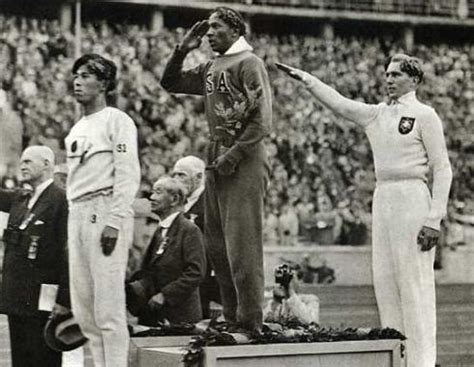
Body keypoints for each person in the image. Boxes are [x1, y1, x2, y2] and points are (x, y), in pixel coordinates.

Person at [277, 54, 452, 367]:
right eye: (386, 74)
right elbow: (340, 103)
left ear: (413, 80)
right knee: (385, 280)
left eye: (396, 74)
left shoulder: (425, 115)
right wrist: (307, 79)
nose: (388, 79)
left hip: (413, 195)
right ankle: (398, 356)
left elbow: (443, 167)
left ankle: (422, 362)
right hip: (383, 196)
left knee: (414, 283)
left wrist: (434, 218)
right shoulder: (376, 115)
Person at [161, 6, 272, 332]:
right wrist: (182, 50)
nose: (209, 33)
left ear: (236, 31)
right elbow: (171, 83)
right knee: (218, 245)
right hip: (217, 152)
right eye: (208, 28)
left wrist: (233, 155)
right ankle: (231, 315)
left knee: (242, 244)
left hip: (245, 154)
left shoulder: (249, 63)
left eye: (216, 27)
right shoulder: (213, 66)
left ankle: (250, 320)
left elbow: (262, 121)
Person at [65, 53, 141, 367]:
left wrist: (114, 220)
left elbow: (127, 172)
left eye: (85, 76)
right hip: (78, 212)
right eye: (76, 75)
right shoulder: (78, 127)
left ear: (104, 84)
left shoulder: (117, 120)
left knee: (108, 308)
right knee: (85, 311)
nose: (77, 82)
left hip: (104, 209)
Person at [0, 145, 69, 367]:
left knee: (43, 357)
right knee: (20, 358)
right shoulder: (21, 198)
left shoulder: (61, 200)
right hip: (16, 295)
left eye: (28, 161)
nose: (22, 165)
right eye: (22, 161)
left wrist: (64, 299)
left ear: (47, 164)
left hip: (44, 297)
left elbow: (68, 253)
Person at [127, 176, 206, 325]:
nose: (151, 197)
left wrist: (165, 295)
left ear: (174, 199)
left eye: (158, 192)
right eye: (152, 192)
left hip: (180, 318)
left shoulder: (189, 230)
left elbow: (195, 273)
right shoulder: (160, 230)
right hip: (154, 315)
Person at [171, 155, 221, 319]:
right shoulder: (180, 202)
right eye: (175, 175)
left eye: (182, 175)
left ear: (199, 177)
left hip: (203, 273)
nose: (176, 179)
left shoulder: (211, 201)